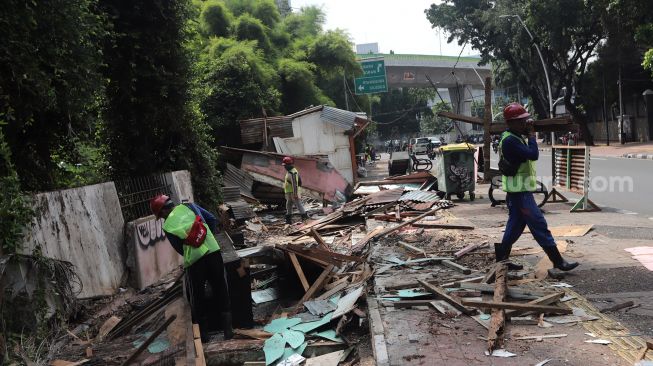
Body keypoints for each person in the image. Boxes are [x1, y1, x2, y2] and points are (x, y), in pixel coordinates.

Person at [496, 103, 579, 272]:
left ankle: (501, 261)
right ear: (510, 123)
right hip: (520, 192)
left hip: (518, 190)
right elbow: (533, 155)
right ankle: (558, 261)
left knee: (514, 227)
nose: (524, 124)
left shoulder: (512, 136)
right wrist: (532, 136)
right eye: (521, 121)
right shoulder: (511, 140)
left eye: (525, 120)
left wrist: (527, 134)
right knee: (539, 224)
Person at [150, 194, 233, 341]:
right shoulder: (189, 206)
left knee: (197, 297)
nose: (162, 218)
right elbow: (212, 219)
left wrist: (192, 251)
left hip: (195, 261)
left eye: (160, 216)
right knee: (221, 289)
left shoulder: (168, 225)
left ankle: (205, 337)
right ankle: (228, 332)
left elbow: (178, 248)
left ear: (163, 212)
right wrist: (208, 238)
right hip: (213, 252)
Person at [282, 156, 309, 224]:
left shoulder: (293, 172)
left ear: (289, 165)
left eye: (285, 165)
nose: (284, 167)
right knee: (288, 205)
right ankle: (288, 220)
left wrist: (295, 193)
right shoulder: (289, 171)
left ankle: (305, 218)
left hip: (293, 191)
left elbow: (295, 184)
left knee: (298, 204)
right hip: (289, 192)